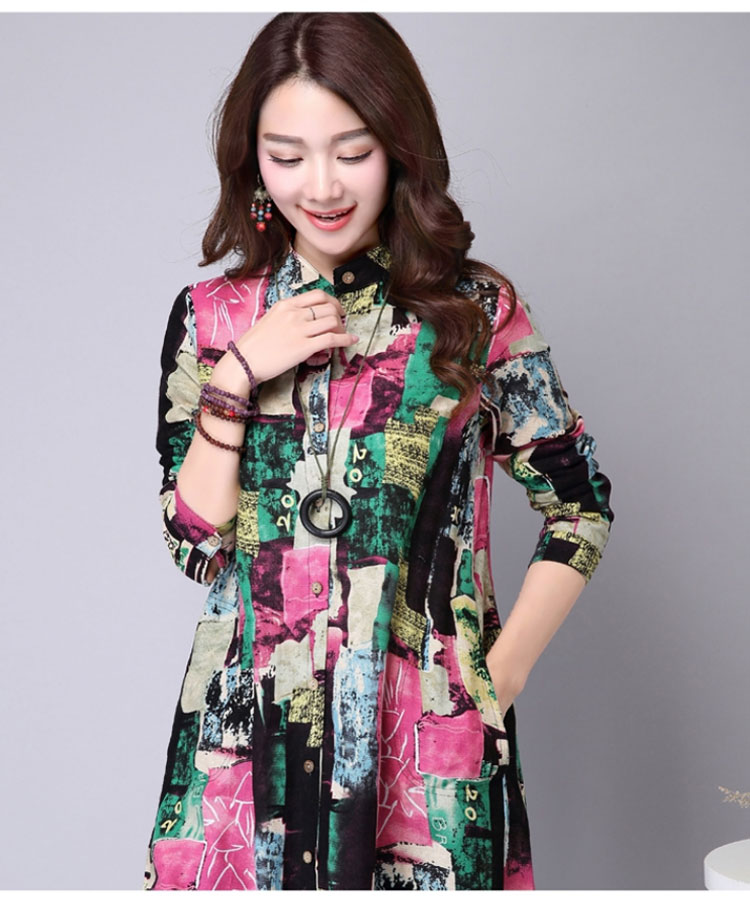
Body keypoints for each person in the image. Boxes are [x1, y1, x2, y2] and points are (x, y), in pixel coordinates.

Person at [144, 12, 613, 892]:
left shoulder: (473, 313)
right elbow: (194, 542)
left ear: (398, 148)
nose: (321, 186)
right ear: (254, 164)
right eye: (287, 157)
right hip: (244, 759)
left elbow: (579, 503)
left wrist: (493, 680)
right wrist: (237, 375)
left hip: (420, 756)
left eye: (351, 152)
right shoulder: (212, 319)